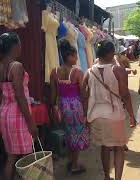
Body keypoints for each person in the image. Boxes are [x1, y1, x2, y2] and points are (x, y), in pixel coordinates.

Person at [83, 40, 136, 180]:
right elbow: (125, 95)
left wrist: (85, 116)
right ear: (110, 53)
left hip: (96, 116)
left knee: (105, 147)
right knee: (119, 148)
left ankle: (107, 176)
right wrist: (131, 115)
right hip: (114, 115)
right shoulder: (118, 70)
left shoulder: (89, 72)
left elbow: (84, 95)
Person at [0, 32, 39, 180]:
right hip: (19, 116)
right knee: (27, 157)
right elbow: (20, 96)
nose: (21, 47)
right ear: (15, 46)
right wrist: (31, 123)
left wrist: (8, 100)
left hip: (5, 114)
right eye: (19, 44)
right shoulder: (16, 66)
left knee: (11, 156)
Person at [50, 39, 89, 175]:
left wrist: (54, 109)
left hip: (62, 106)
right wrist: (86, 112)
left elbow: (53, 95)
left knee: (68, 134)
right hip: (75, 107)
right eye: (75, 55)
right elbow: (84, 95)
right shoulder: (78, 72)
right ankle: (74, 165)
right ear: (69, 56)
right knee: (77, 134)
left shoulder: (54, 72)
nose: (77, 57)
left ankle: (72, 161)